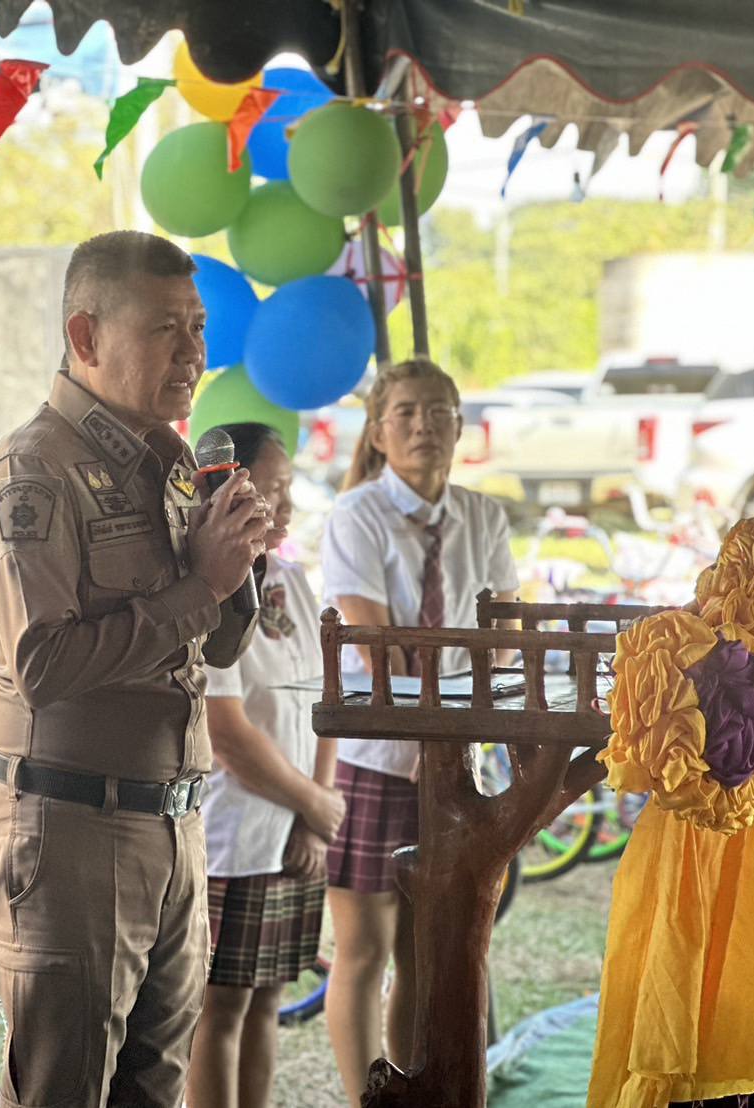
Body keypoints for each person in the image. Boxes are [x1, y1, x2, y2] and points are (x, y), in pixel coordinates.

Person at [0, 230, 266, 1108]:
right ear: (86, 336)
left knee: (153, 1092)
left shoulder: (169, 463)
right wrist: (198, 586)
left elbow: (215, 647)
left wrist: (232, 567)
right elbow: (43, 664)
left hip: (171, 824)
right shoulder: (32, 472)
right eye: (165, 328)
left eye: (198, 327)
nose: (193, 353)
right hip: (72, 830)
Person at [320, 357, 520, 1105]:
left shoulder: (483, 516)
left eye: (438, 412)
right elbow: (378, 647)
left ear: (460, 427)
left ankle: (412, 1096)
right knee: (363, 950)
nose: (422, 426)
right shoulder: (357, 514)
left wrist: (450, 676)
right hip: (378, 757)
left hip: (459, 758)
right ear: (378, 431)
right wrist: (453, 670)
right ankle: (361, 1098)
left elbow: (505, 639)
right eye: (404, 412)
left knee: (428, 949)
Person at [185, 423, 345, 1108]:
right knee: (219, 1007)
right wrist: (311, 802)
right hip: (233, 834)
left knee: (267, 999)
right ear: (230, 489)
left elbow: (325, 701)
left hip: (294, 829)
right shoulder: (211, 585)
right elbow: (225, 730)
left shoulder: (291, 578)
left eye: (287, 489)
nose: (285, 505)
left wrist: (315, 814)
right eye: (271, 489)